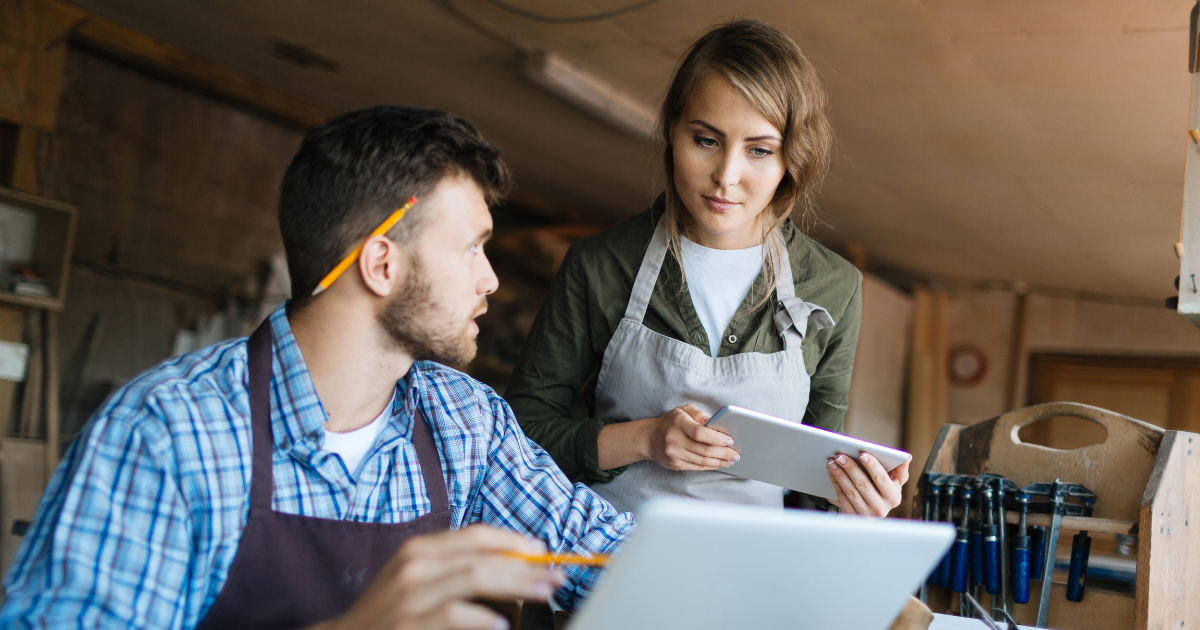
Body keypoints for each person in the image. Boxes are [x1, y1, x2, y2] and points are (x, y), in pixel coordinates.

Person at [0, 105, 633, 630]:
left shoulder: (464, 419)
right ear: (382, 263)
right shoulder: (167, 430)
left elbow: (600, 556)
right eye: (471, 247)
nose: (490, 279)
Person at [507, 20, 908, 517]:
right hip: (608, 559)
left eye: (759, 150)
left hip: (753, 574)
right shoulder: (600, 264)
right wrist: (645, 439)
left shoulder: (834, 285)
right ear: (673, 130)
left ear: (791, 158)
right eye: (705, 140)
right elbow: (522, 432)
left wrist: (854, 500)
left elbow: (813, 478)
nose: (726, 176)